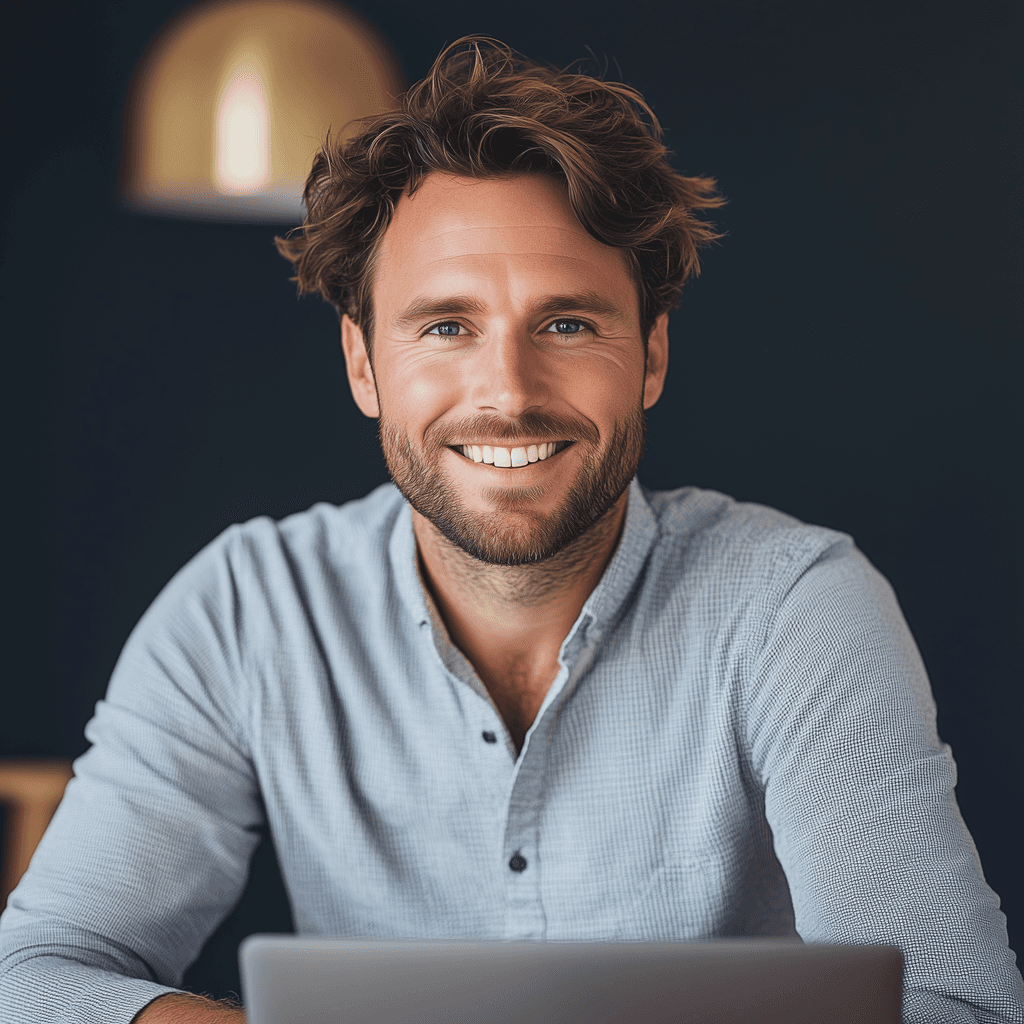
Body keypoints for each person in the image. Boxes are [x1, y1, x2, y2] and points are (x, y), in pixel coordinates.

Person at [1, 36, 1021, 1024]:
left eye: (567, 323)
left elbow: (954, 1006)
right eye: (446, 326)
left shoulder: (794, 606)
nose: (509, 393)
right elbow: (32, 977)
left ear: (651, 355)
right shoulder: (246, 607)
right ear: (363, 365)